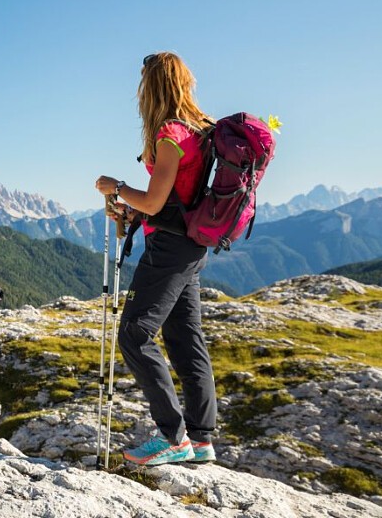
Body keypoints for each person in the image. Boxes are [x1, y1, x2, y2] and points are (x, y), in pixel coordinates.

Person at [94, 51, 217, 466]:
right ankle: (201, 439)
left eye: (144, 82)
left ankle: (173, 437)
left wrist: (117, 186)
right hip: (192, 244)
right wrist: (131, 211)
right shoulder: (200, 131)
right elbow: (170, 201)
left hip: (170, 249)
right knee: (186, 340)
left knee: (133, 333)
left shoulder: (170, 134)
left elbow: (153, 198)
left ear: (154, 86)